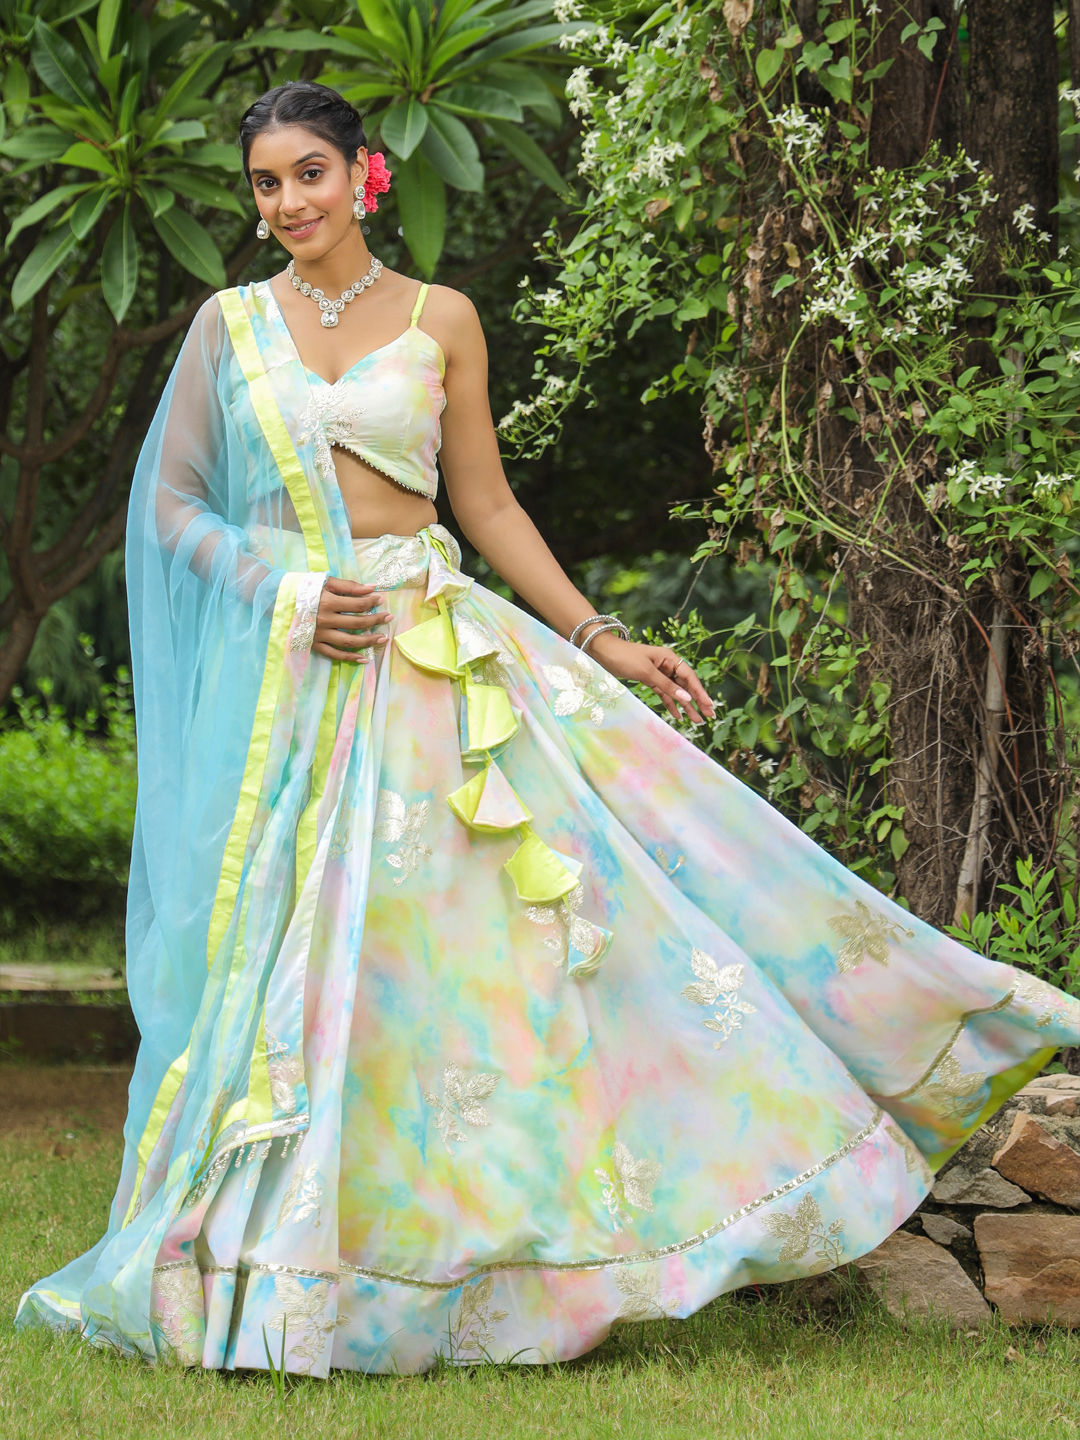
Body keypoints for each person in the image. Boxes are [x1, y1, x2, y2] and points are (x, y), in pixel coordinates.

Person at [16, 80, 1080, 1377]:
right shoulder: (226, 326)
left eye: (309, 173)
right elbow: (173, 505)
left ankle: (519, 1243)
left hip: (439, 667)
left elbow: (488, 504)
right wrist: (283, 594)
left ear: (365, 173)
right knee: (308, 968)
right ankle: (285, 1261)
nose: (288, 202)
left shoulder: (441, 318)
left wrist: (597, 636)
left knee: (505, 957)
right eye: (265, 183)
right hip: (305, 678)